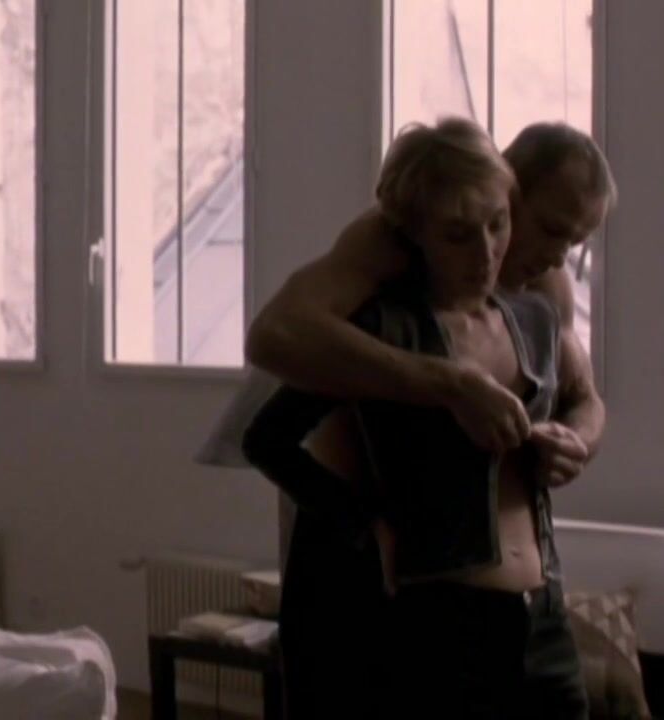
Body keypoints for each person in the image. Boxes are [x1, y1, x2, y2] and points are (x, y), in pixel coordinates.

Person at [243, 117, 592, 720]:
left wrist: (572, 442)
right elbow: (268, 420)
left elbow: (586, 400)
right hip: (426, 613)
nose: (486, 252)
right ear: (415, 237)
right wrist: (365, 522)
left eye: (498, 224)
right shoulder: (382, 306)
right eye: (458, 235)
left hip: (543, 618)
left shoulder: (536, 309)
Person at [245, 121, 617, 488]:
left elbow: (584, 396)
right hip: (305, 417)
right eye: (551, 230)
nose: (558, 257)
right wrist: (453, 384)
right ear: (508, 187)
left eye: (576, 242)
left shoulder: (545, 282)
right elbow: (274, 335)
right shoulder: (393, 236)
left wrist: (576, 442)